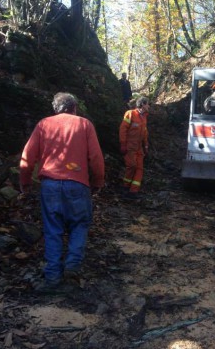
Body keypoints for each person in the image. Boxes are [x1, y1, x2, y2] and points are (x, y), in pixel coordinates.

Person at [19, 92, 105, 292]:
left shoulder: (44, 124)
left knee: (53, 230)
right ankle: (72, 268)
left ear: (55, 109)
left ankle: (52, 277)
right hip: (77, 184)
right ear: (74, 108)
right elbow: (96, 158)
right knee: (79, 225)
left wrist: (25, 181)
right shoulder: (84, 125)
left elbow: (27, 157)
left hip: (49, 185)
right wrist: (98, 182)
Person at [119, 96, 150, 199]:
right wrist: (123, 144)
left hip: (138, 148)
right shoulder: (130, 114)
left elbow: (145, 132)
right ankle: (125, 187)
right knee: (131, 166)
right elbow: (123, 129)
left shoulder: (144, 117)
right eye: (147, 104)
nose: (148, 106)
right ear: (142, 104)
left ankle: (133, 192)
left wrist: (145, 145)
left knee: (139, 168)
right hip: (130, 147)